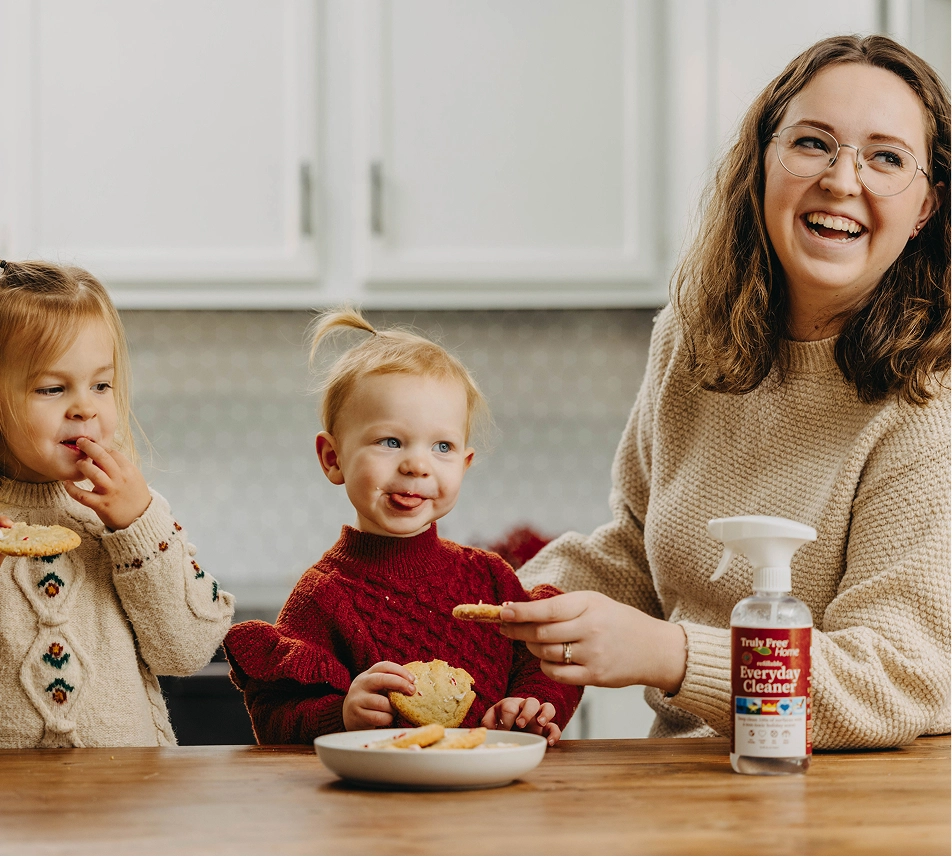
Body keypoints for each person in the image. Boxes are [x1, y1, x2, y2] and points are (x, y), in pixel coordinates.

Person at [505, 34, 950, 749]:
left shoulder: (932, 400)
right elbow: (635, 550)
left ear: (926, 206)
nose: (842, 180)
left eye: (886, 157)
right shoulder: (693, 336)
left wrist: (672, 655)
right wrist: (484, 607)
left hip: (867, 805)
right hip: (693, 791)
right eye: (813, 143)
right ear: (763, 162)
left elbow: (897, 677)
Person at [223, 308, 582, 745]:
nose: (416, 464)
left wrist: (532, 702)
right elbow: (274, 716)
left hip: (491, 803)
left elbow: (550, 661)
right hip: (373, 808)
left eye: (442, 446)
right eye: (390, 441)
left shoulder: (489, 576)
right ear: (332, 458)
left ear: (464, 465)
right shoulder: (322, 596)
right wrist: (342, 714)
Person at [0, 260, 234, 748]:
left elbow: (187, 651)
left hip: (131, 797)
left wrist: (139, 525)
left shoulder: (139, 515)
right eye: (52, 388)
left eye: (101, 385)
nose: (85, 406)